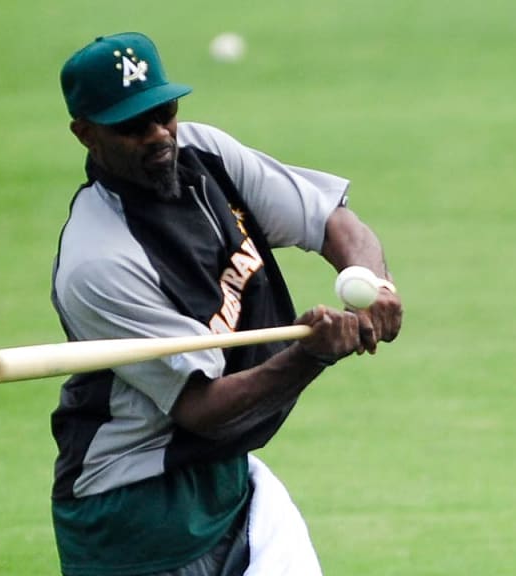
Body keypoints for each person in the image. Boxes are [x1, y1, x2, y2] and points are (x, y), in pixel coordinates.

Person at [49, 32, 403, 576]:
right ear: (86, 134)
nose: (158, 136)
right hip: (136, 511)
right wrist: (310, 354)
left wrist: (372, 283)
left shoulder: (206, 155)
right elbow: (203, 410)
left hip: (224, 478)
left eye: (163, 112)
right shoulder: (100, 261)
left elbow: (331, 220)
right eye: (132, 126)